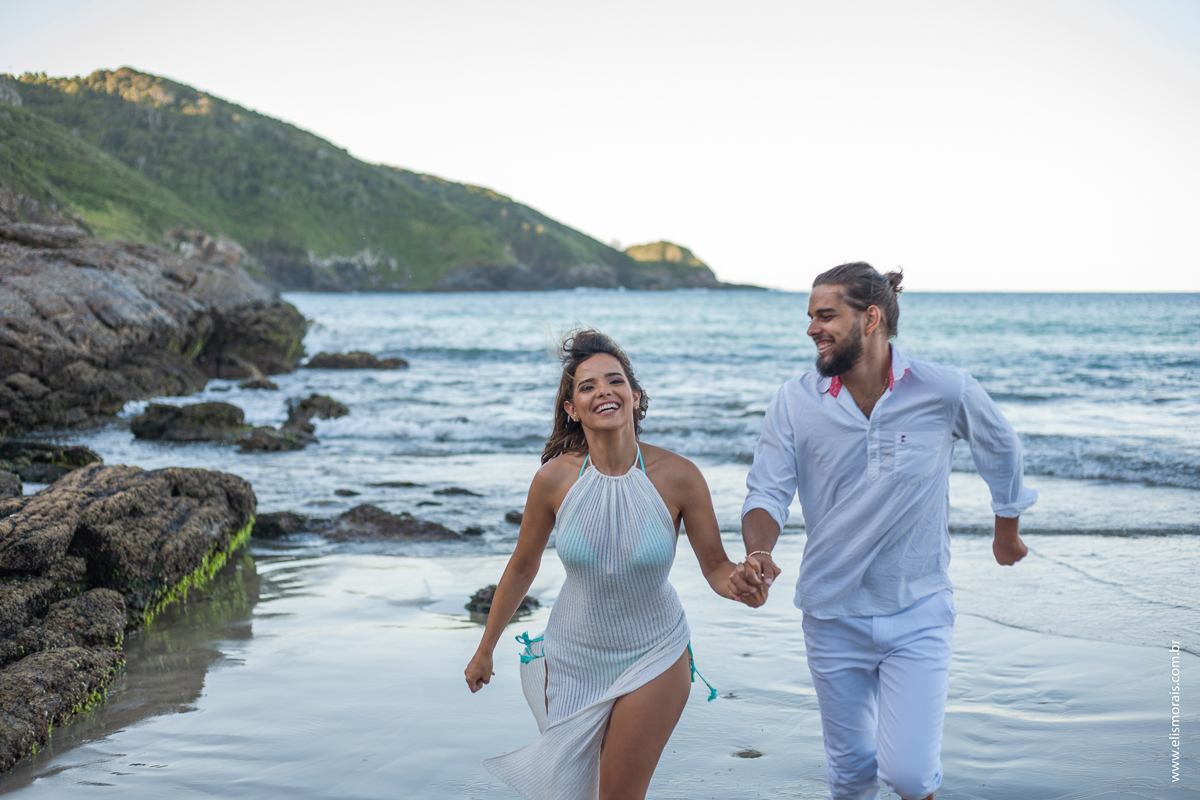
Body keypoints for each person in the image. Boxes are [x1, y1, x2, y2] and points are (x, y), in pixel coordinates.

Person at [729, 262, 1037, 800]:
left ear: (870, 318)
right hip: (830, 613)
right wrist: (759, 549)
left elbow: (1001, 446)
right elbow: (766, 492)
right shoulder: (794, 401)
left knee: (911, 776)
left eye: (826, 315)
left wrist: (1005, 528)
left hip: (918, 609)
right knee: (851, 775)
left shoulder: (942, 389)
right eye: (810, 316)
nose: (811, 329)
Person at [465, 329, 763, 800]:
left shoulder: (679, 477)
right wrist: (486, 647)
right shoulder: (555, 480)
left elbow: (717, 568)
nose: (603, 390)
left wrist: (743, 581)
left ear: (634, 395)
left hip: (655, 654)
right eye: (587, 386)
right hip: (571, 660)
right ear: (571, 407)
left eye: (615, 380)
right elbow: (522, 567)